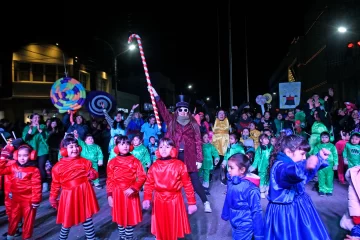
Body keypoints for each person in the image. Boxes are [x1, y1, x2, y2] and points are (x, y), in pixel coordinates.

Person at [149, 86, 212, 212]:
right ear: (177, 111)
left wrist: (199, 158)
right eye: (180, 110)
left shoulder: (193, 123)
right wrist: (156, 95)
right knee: (170, 179)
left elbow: (198, 142)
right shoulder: (171, 121)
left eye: (185, 110)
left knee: (194, 180)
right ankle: (168, 204)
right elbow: (162, 109)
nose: (183, 112)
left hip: (190, 156)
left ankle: (205, 202)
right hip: (175, 155)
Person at [264, 135, 331, 240]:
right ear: (288, 152)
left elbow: (303, 177)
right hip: (285, 212)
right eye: (302, 154)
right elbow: (292, 172)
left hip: (299, 205)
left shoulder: (293, 163)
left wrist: (319, 158)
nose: (304, 157)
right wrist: (305, 165)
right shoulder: (280, 166)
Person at [143, 138, 197, 240]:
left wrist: (192, 202)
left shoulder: (180, 165)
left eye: (167, 147)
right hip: (159, 201)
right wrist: (147, 198)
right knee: (160, 225)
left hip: (175, 201)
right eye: (161, 147)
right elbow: (149, 184)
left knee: (173, 225)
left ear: (173, 149)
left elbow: (187, 184)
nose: (164, 149)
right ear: (158, 149)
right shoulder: (154, 166)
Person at [50, 134, 99, 240]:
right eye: (71, 147)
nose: (75, 149)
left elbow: (94, 173)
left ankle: (91, 238)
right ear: (63, 150)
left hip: (85, 192)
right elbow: (55, 184)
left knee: (87, 217)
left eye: (76, 146)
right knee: (67, 219)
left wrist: (92, 174)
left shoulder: (85, 162)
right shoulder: (58, 167)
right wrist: (53, 197)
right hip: (69, 195)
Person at [107, 135, 146, 240]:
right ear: (117, 147)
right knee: (120, 217)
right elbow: (110, 179)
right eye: (122, 144)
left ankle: (128, 238)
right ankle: (122, 237)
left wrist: (134, 188)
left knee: (129, 218)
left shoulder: (135, 161)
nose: (125, 146)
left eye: (127, 143)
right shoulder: (112, 162)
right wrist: (110, 195)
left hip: (130, 193)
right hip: (117, 193)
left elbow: (142, 176)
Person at [0, 145, 41, 240]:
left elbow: (36, 186)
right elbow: (1, 170)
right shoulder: (13, 166)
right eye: (20, 155)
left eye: (25, 155)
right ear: (16, 156)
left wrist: (35, 200)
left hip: (29, 201)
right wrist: (3, 157)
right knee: (13, 218)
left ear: (31, 156)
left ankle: (26, 237)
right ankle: (10, 235)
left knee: (28, 221)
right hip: (16, 199)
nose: (22, 158)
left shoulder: (34, 170)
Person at [221, 153, 264, 240]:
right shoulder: (231, 182)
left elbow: (257, 212)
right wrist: (225, 214)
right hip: (234, 220)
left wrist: (259, 234)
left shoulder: (251, 190)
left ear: (242, 170)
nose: (228, 170)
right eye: (228, 167)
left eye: (231, 168)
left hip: (245, 225)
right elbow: (228, 199)